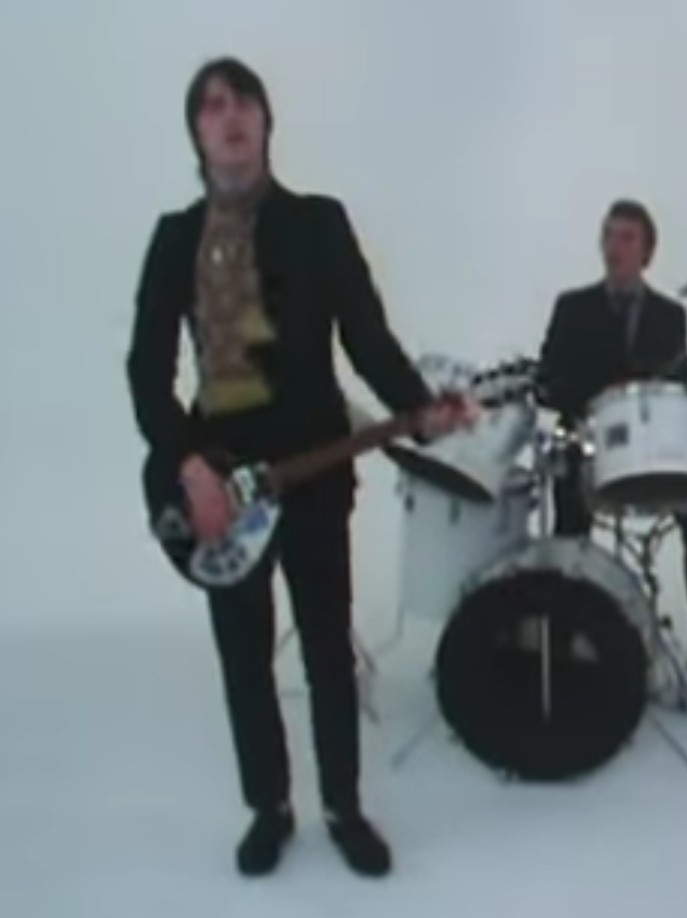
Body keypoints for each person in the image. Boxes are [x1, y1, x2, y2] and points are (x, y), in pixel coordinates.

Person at [125, 57, 475, 878]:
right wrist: (188, 468)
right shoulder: (174, 239)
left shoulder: (319, 222)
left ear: (265, 120)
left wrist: (419, 405)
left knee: (325, 647)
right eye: (212, 105)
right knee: (243, 654)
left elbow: (367, 336)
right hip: (219, 478)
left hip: (316, 468)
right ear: (197, 132)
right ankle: (270, 807)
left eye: (242, 99)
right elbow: (146, 371)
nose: (230, 115)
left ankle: (343, 806)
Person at [536, 199, 687, 684]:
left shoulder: (671, 316)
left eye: (626, 238)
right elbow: (546, 384)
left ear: (647, 252)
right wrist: (592, 396)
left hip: (648, 458)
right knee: (569, 510)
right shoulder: (572, 307)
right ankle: (568, 637)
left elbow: (677, 392)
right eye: (608, 236)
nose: (614, 247)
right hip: (589, 450)